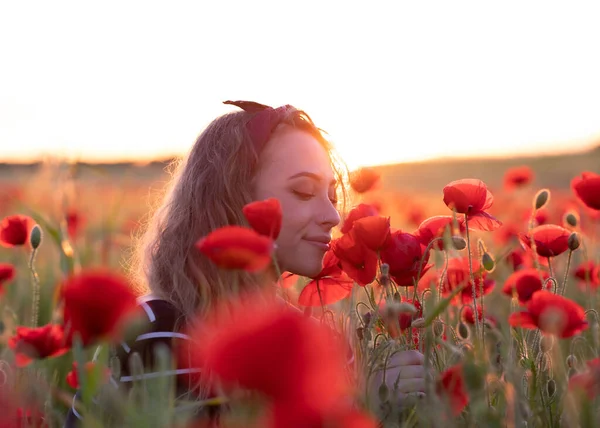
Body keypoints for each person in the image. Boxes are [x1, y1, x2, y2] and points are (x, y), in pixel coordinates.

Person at [64, 100, 425, 426]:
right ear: (233, 197)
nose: (332, 215)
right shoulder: (159, 329)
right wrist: (364, 401)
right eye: (303, 191)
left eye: (332, 195)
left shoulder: (311, 341)